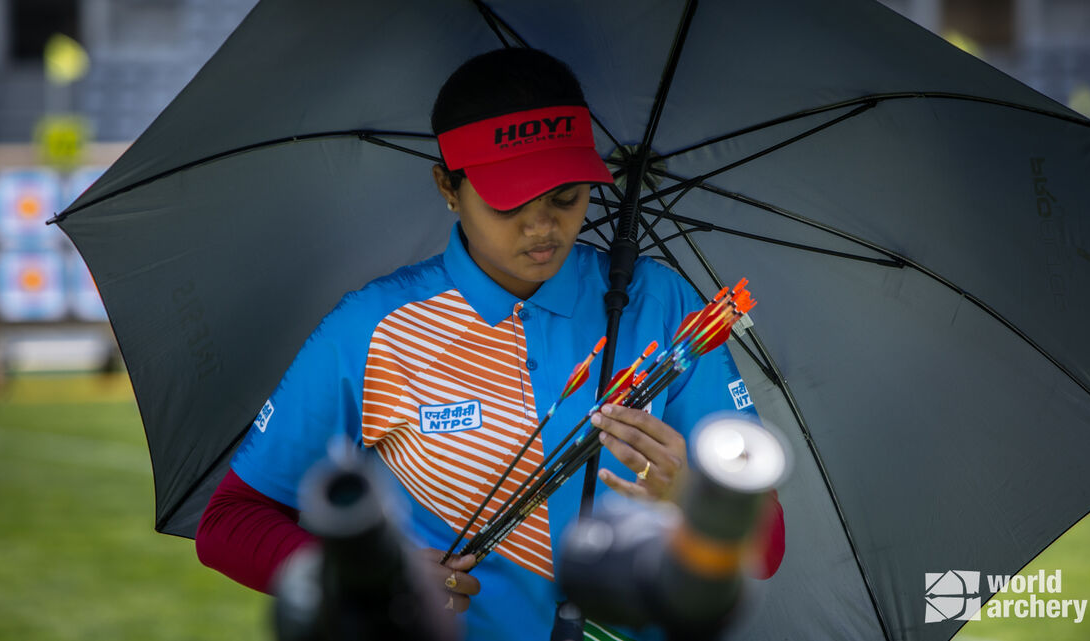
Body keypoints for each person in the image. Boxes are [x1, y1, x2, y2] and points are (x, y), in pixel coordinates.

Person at [196, 48, 784, 641]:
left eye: (565, 197)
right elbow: (228, 523)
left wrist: (691, 495)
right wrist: (365, 575)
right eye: (509, 201)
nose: (542, 228)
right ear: (448, 187)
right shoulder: (373, 326)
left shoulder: (662, 304)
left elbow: (768, 543)